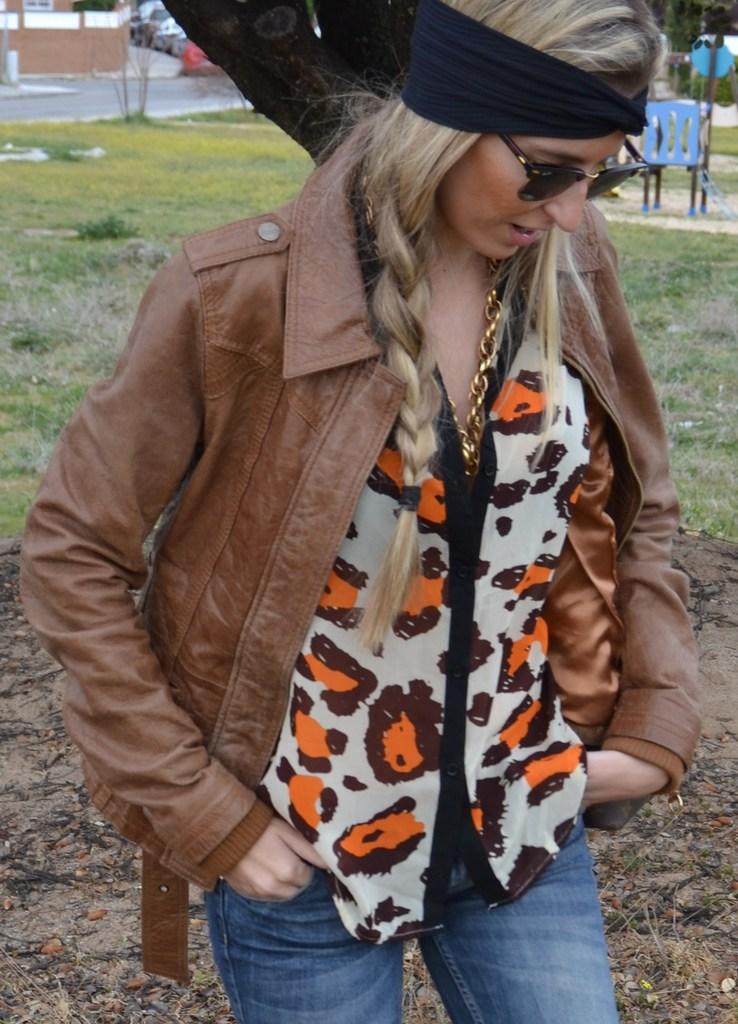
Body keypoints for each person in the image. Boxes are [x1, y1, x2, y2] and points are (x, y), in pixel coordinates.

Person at [20, 0, 701, 1021]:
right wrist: (207, 815)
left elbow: (639, 507)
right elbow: (71, 552)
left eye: (600, 174)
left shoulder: (573, 264)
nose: (570, 208)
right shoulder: (238, 293)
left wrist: (654, 725)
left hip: (522, 827)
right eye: (549, 170)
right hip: (306, 854)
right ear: (457, 120)